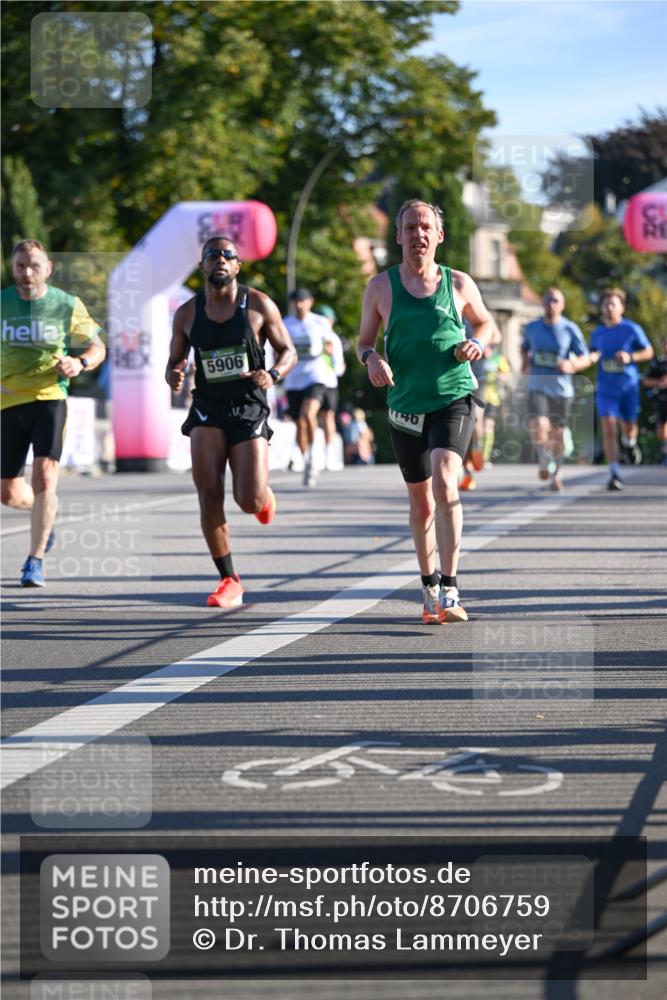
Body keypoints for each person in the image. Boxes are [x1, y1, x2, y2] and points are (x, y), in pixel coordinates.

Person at [357, 198, 494, 625]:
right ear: (398, 236)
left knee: (446, 482)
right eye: (410, 227)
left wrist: (478, 343)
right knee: (421, 504)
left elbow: (487, 323)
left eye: (425, 227)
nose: (418, 234)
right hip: (405, 406)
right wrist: (372, 360)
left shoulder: (458, 283)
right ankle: (429, 586)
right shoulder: (380, 287)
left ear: (439, 235)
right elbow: (363, 341)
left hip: (453, 396)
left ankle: (451, 589)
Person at [166, 235, 295, 608]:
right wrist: (174, 374)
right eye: (212, 255)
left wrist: (272, 374)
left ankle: (263, 496)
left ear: (238, 265)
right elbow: (175, 360)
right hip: (207, 407)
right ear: (203, 265)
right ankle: (229, 579)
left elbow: (288, 350)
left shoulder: (257, 305)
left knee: (248, 499)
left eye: (227, 255)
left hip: (248, 406)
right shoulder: (188, 313)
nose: (219, 260)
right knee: (208, 493)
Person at [1, 239, 106, 587]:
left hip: (49, 398)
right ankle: (44, 518)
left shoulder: (65, 304)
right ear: (12, 268)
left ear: (48, 268)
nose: (26, 272)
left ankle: (35, 560)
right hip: (8, 401)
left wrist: (79, 362)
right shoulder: (2, 304)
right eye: (20, 266)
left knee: (45, 479)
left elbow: (98, 347)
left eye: (34, 265)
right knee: (8, 494)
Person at [521, 288, 590, 491]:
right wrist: (525, 361)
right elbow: (524, 347)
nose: (551, 304)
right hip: (537, 385)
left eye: (555, 301)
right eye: (548, 300)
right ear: (542, 303)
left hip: (561, 390)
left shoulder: (570, 328)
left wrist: (572, 365)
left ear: (562, 304)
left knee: (557, 434)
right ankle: (544, 458)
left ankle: (556, 474)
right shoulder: (532, 327)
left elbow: (585, 357)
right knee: (538, 424)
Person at [589, 287, 654, 490]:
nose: (609, 308)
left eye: (613, 304)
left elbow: (648, 351)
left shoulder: (631, 329)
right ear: (601, 308)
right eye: (605, 304)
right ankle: (615, 472)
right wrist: (591, 358)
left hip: (628, 387)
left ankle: (630, 441)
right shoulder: (597, 333)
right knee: (608, 427)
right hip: (606, 388)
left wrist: (630, 357)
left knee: (629, 425)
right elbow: (592, 354)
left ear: (621, 308)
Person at [282, 288, 332, 487]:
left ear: (310, 302)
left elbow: (330, 345)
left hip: (315, 376)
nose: (299, 305)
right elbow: (280, 347)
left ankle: (314, 455)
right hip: (293, 379)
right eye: (295, 302)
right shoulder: (286, 324)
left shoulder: (319, 322)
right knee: (299, 423)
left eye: (302, 301)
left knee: (308, 414)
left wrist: (322, 350)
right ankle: (306, 460)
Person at [313, 303, 346, 471]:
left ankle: (329, 455)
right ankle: (310, 455)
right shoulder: (311, 335)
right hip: (312, 382)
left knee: (327, 417)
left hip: (329, 382)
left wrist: (331, 355)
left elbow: (340, 368)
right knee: (308, 416)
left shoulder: (334, 339)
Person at [482, 342, 512, 466]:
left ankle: (484, 457)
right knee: (475, 428)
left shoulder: (498, 358)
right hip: (476, 396)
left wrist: (501, 376)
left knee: (487, 426)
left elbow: (508, 375)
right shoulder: (476, 357)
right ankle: (472, 456)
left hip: (492, 398)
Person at [643, 335, 667, 466]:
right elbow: (646, 381)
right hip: (661, 398)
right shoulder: (657, 363)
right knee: (662, 426)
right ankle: (665, 451)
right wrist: (659, 382)